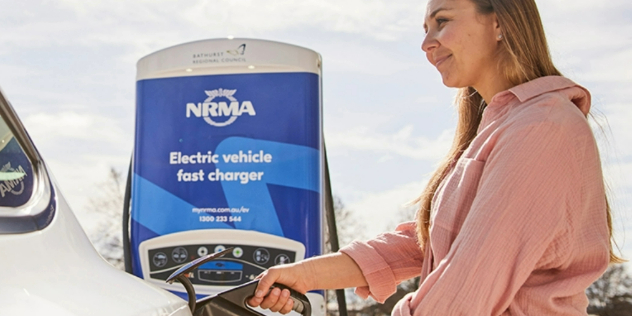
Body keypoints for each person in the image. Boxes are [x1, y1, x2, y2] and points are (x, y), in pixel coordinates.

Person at [247, 0, 624, 314]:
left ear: (500, 23)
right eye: (425, 29)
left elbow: (469, 281)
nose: (427, 43)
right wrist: (307, 276)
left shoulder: (542, 126)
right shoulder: (501, 127)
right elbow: (429, 240)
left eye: (442, 22)